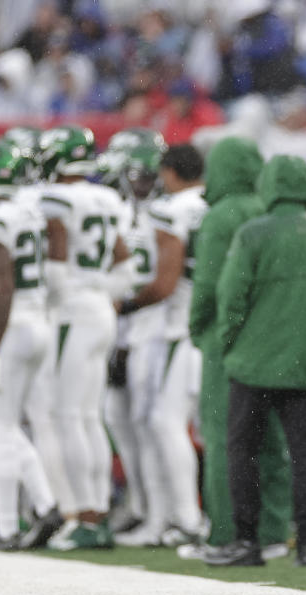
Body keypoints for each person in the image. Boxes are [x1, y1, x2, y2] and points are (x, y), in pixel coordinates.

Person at [208, 154, 306, 568]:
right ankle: (305, 544)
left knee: (243, 451)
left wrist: (230, 346)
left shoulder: (252, 233)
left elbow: (230, 299)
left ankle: (248, 541)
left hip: (252, 364)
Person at [188, 137, 291, 560]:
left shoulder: (220, 216)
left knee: (223, 438)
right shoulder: (268, 211)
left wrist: (199, 330)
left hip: (225, 341)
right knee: (267, 441)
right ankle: (272, 532)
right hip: (267, 340)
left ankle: (227, 533)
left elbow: (209, 284)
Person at [39, 125, 135, 550]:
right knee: (88, 416)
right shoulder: (105, 197)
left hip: (73, 312)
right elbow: (124, 263)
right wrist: (102, 294)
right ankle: (96, 511)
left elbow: (57, 262)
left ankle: (86, 516)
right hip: (99, 309)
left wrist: (60, 297)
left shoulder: (56, 199)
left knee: (67, 416)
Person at [0, 140, 60, 550]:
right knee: (8, 426)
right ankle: (45, 503)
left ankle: (5, 528)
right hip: (38, 323)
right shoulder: (28, 210)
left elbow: (3, 287)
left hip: (10, 326)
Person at [111, 144, 208, 548]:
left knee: (163, 424)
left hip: (177, 329)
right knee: (206, 430)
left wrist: (127, 304)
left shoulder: (171, 210)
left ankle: (183, 518)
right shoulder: (214, 203)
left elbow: (165, 283)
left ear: (169, 173)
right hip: (212, 325)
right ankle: (190, 518)